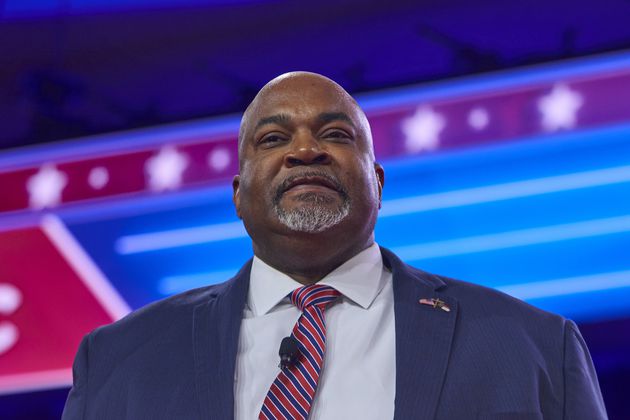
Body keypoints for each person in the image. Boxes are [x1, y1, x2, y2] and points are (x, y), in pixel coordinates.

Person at [62, 72, 608, 419]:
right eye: (273, 139)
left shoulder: (534, 349)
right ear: (237, 194)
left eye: (336, 135)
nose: (305, 150)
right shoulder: (118, 361)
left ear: (378, 182)